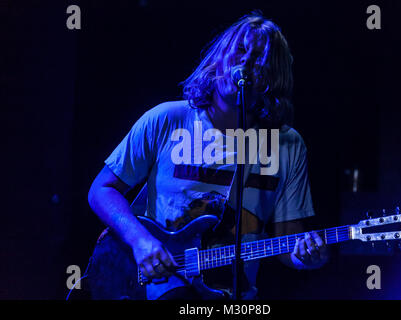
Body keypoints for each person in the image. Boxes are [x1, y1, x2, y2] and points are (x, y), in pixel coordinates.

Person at [88, 12, 328, 300]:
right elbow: (102, 189)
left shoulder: (287, 144)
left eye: (259, 59)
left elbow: (288, 239)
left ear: (272, 77)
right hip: (155, 287)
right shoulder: (167, 118)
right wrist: (140, 241)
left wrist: (308, 255)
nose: (247, 63)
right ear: (220, 57)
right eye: (240, 50)